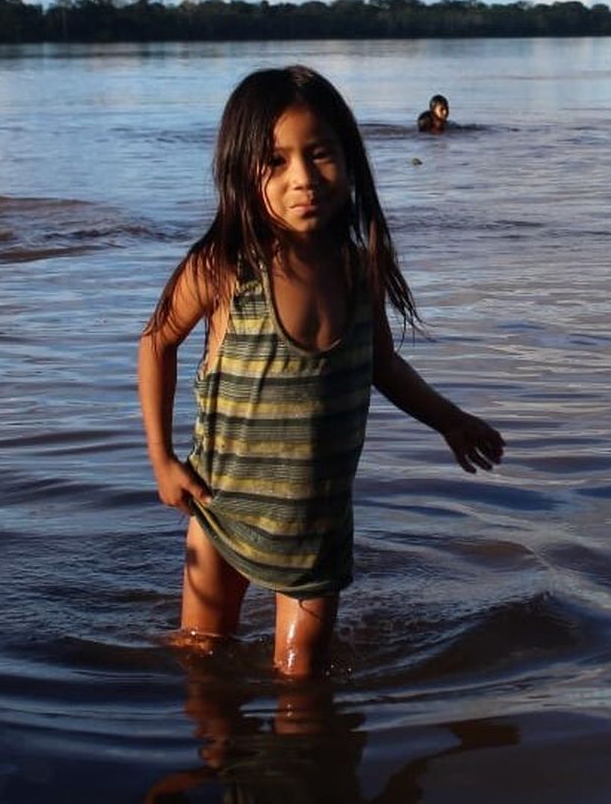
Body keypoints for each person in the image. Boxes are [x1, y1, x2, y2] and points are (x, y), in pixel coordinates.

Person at [138, 65, 503, 678]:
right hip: (222, 512)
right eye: (275, 162)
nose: (303, 178)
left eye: (320, 154)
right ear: (241, 171)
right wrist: (162, 458)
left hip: (317, 530)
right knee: (203, 662)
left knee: (302, 680)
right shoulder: (225, 267)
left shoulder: (358, 271)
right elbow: (157, 342)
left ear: (349, 159)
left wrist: (449, 420)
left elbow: (382, 363)